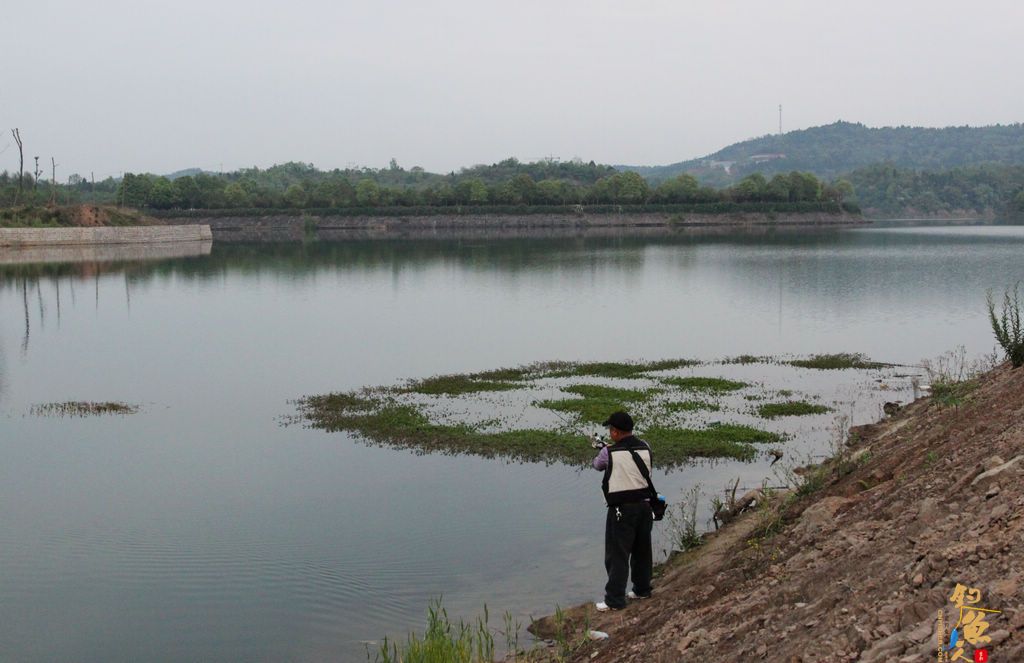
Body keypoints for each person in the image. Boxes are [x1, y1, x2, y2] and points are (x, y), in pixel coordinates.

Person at [591, 410, 653, 611]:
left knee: (617, 555)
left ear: (616, 432)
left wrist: (604, 449)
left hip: (621, 510)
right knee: (642, 551)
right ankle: (642, 590)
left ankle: (614, 600)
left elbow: (597, 465)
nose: (610, 432)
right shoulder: (646, 447)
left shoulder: (607, 453)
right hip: (645, 507)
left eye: (610, 429)